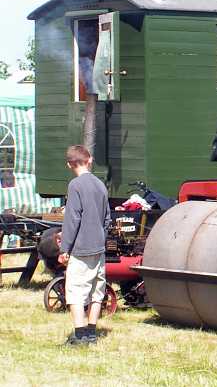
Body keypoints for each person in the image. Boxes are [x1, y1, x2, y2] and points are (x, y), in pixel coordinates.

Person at [58, 145, 110, 345]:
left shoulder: (75, 185)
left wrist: (65, 249)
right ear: (89, 160)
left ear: (69, 164)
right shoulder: (100, 185)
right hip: (99, 247)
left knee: (76, 290)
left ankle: (80, 337)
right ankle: (91, 333)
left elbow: (72, 220)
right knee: (97, 290)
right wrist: (99, 237)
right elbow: (106, 219)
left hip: (81, 248)